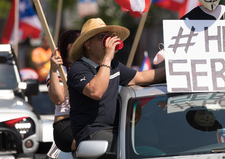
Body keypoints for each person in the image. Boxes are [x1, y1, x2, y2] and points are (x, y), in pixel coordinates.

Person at [67, 18, 166, 157]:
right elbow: (96, 92)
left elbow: (141, 78)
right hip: (92, 134)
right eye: (101, 37)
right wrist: (107, 57)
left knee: (153, 150)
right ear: (87, 45)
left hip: (117, 130)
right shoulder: (78, 68)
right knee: (137, 152)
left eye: (108, 36)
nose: (107, 41)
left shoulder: (114, 66)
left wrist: (172, 70)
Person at [47, 30, 81, 154]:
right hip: (67, 124)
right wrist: (54, 71)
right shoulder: (60, 71)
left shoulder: (88, 67)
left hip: (85, 121)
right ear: (71, 47)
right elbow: (58, 99)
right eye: (82, 43)